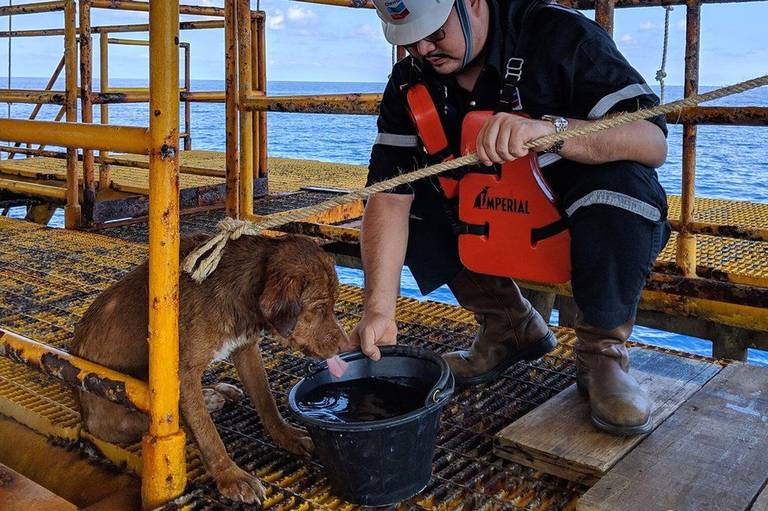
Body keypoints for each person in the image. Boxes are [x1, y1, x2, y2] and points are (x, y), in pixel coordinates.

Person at [350, 0, 671, 436]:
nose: (423, 48)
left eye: (436, 32)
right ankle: (508, 326)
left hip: (572, 214)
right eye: (409, 40)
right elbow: (388, 197)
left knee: (626, 192)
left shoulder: (558, 34)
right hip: (492, 217)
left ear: (474, 4)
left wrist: (553, 132)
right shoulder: (408, 82)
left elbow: (652, 143)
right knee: (410, 196)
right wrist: (378, 310)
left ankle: (602, 357)